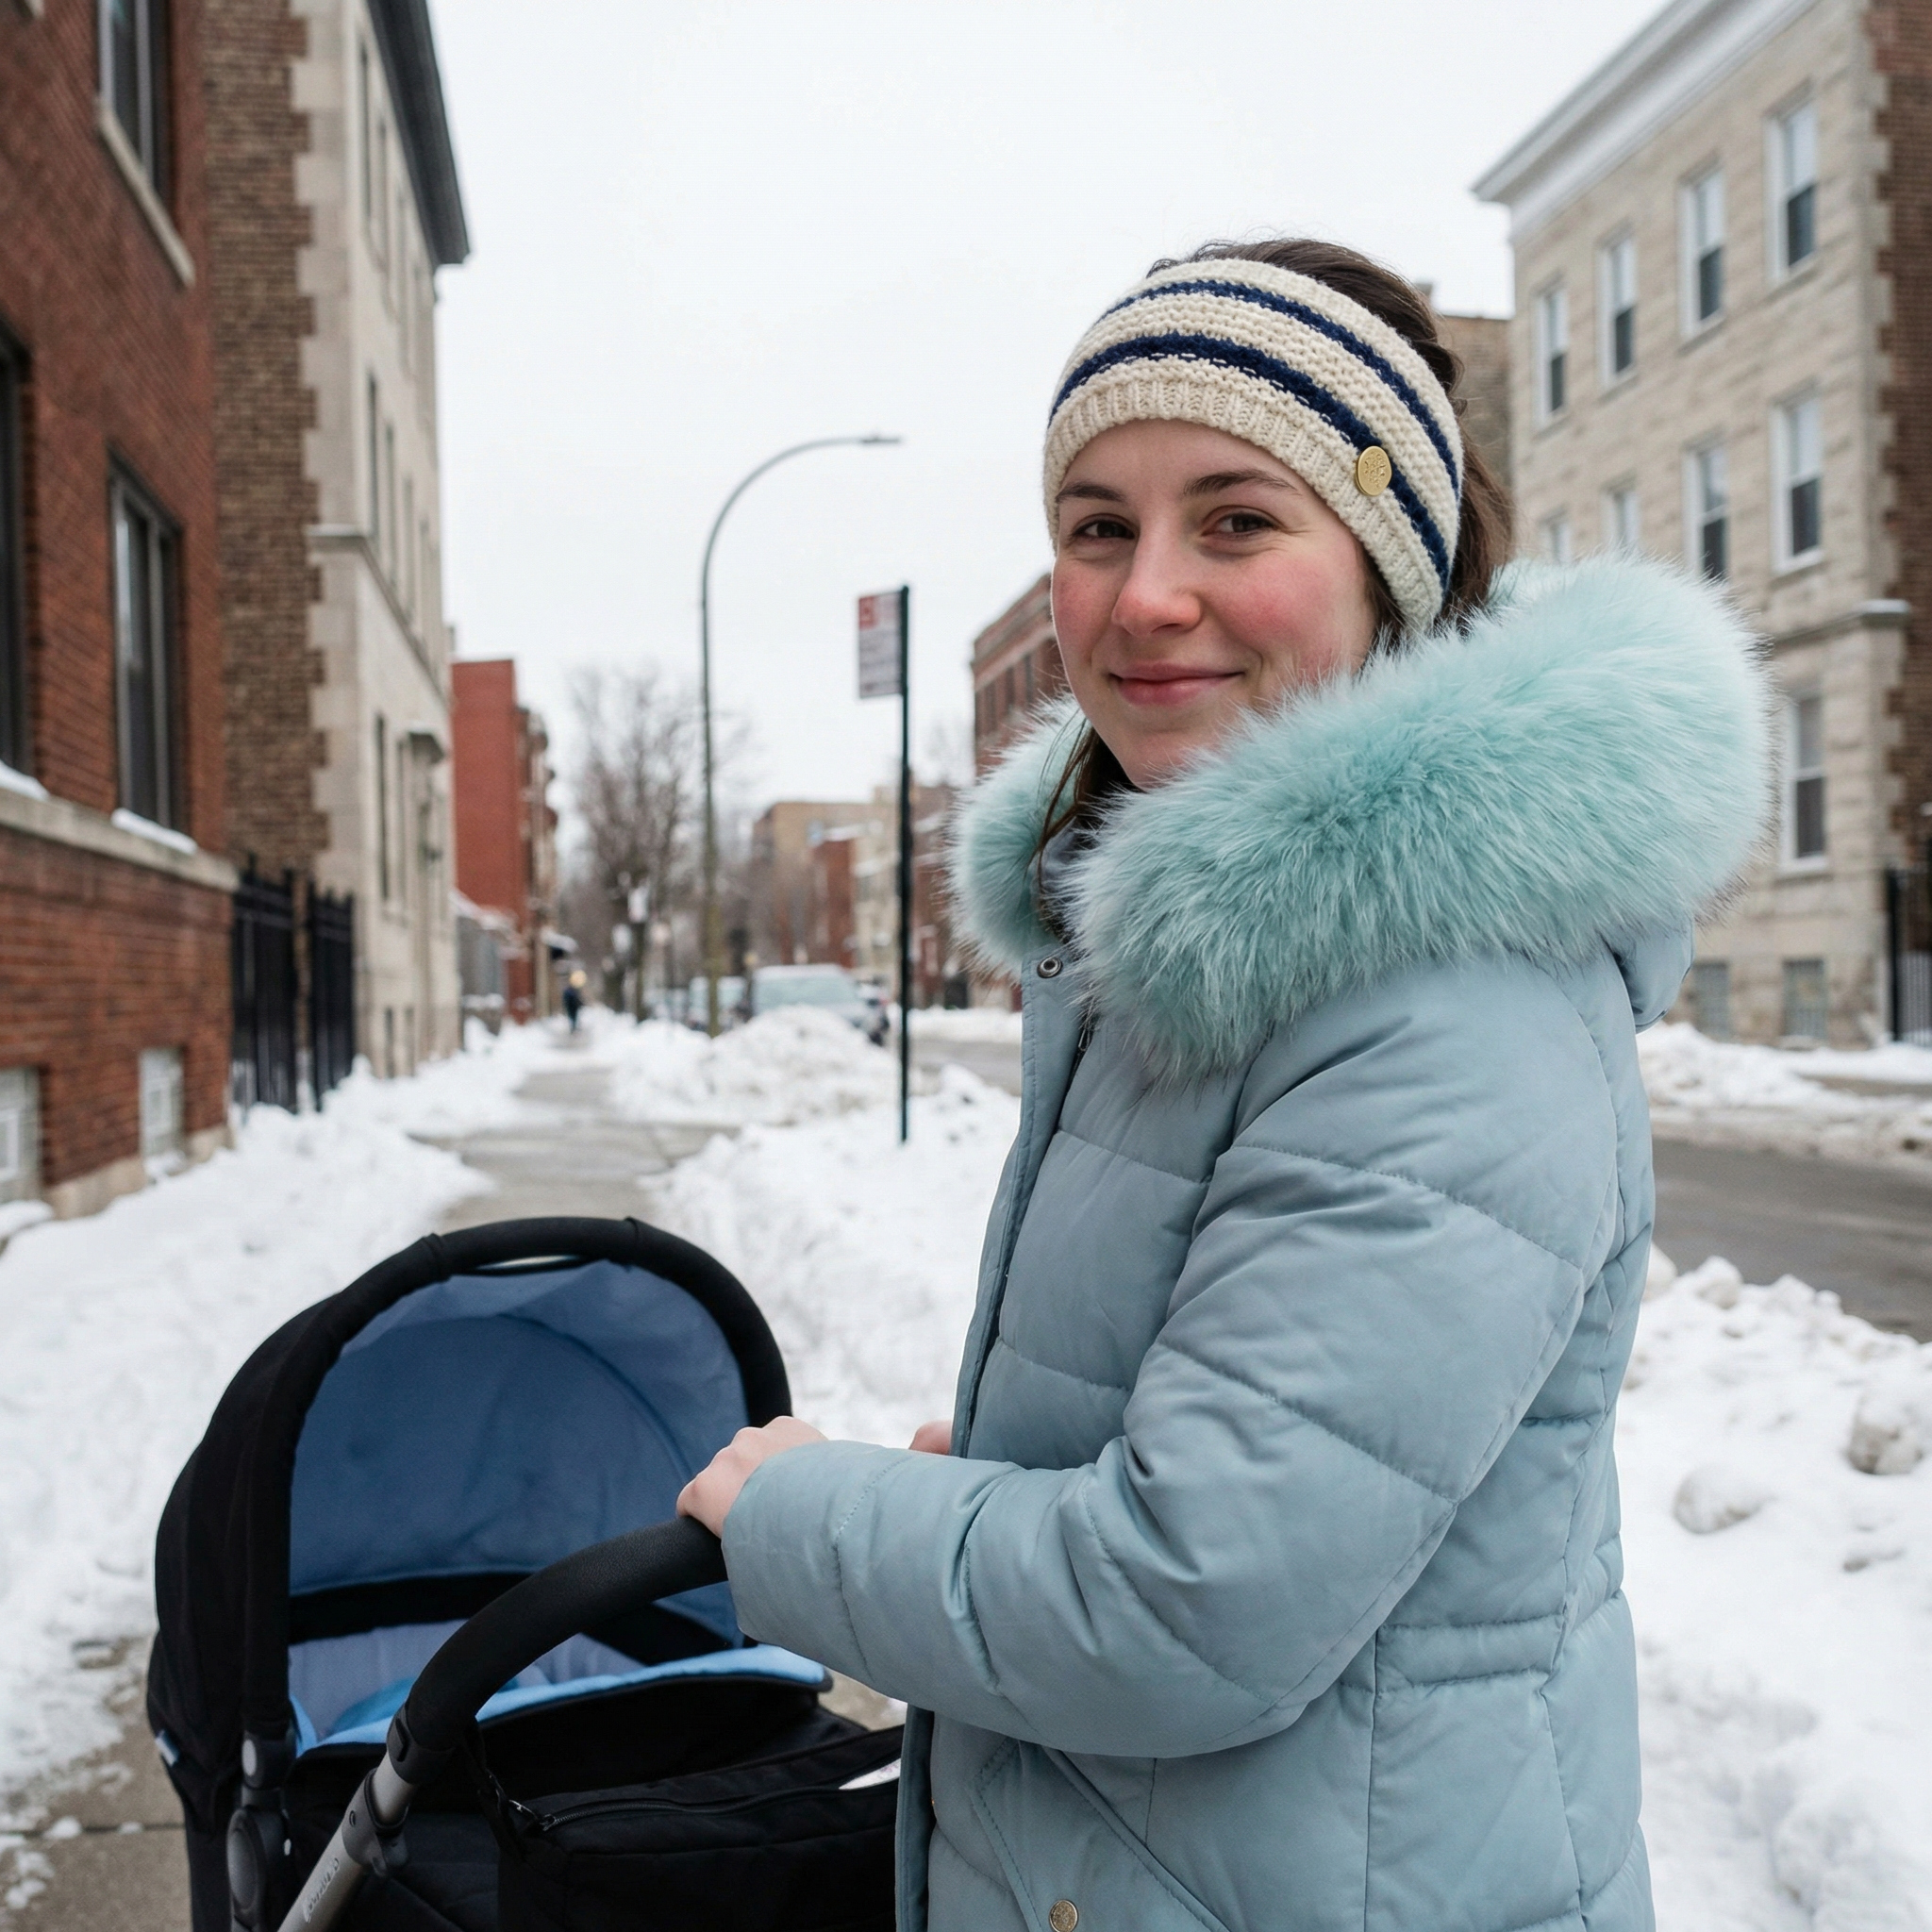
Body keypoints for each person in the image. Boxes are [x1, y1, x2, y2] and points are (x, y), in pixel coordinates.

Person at [679, 239, 1769, 1932]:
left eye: (1236, 520)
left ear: (1383, 569)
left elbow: (1186, 1608)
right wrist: (1027, 1468)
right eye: (1098, 525)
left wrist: (806, 1519)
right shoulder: (1196, 954)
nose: (1144, 594)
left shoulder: (1445, 1009)